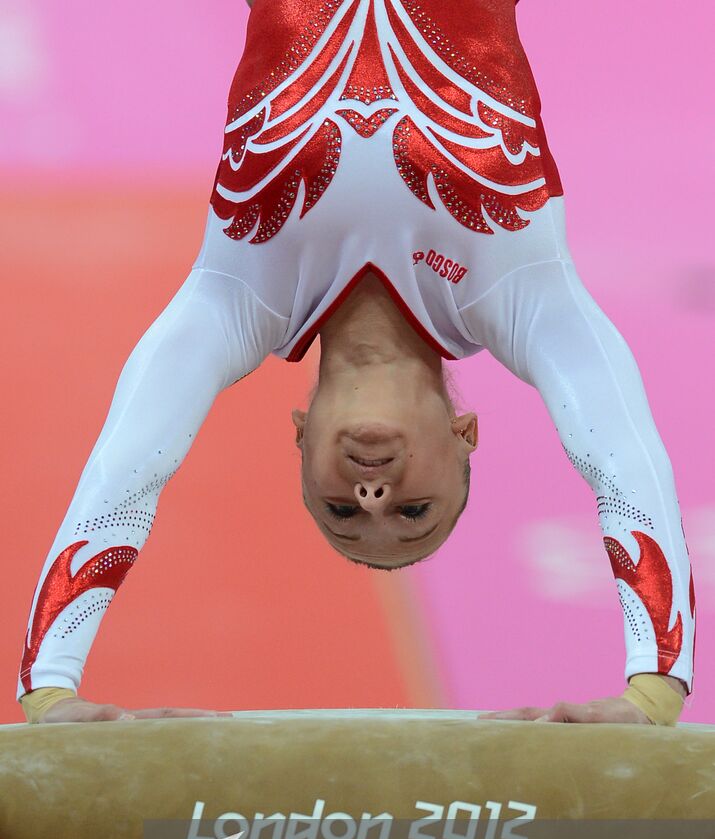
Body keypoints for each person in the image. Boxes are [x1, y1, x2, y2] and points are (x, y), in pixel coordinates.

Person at [18, 0, 694, 727]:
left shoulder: (237, 297)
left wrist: (50, 688)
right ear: (465, 435)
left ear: (300, 437)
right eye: (415, 510)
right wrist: (653, 692)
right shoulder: (523, 296)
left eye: (339, 510)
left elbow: (126, 469)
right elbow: (623, 463)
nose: (373, 500)